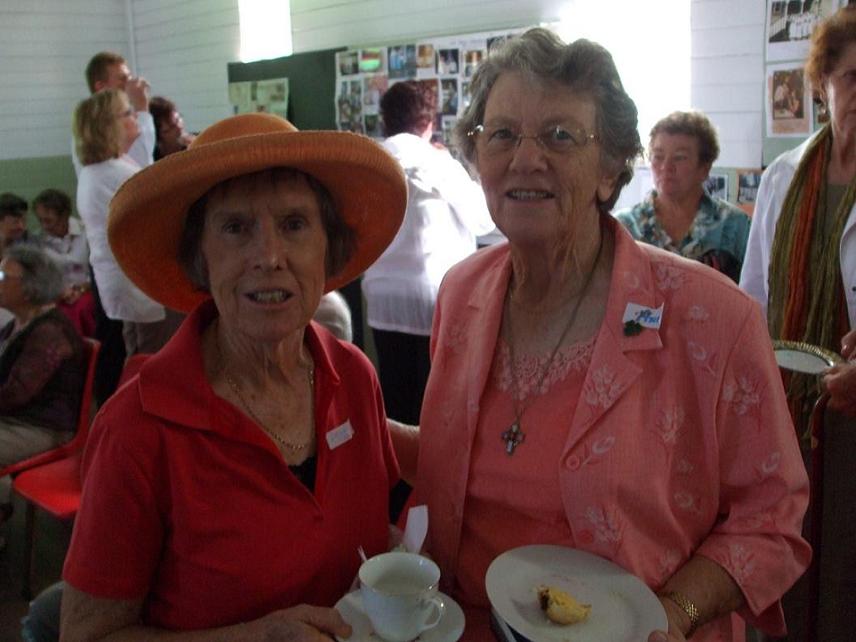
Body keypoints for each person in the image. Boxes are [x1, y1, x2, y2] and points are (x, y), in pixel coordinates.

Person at [399, 29, 810, 641]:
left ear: (612, 167)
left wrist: (675, 612)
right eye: (502, 134)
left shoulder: (712, 319)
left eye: (561, 136)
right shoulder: (461, 294)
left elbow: (772, 517)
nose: (525, 158)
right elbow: (450, 456)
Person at [59, 112, 407, 640]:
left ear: (326, 246)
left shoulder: (355, 377)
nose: (268, 257)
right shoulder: (137, 427)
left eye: (294, 224)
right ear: (200, 255)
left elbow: (368, 533)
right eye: (236, 228)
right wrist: (253, 637)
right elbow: (86, 635)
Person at [740, 7, 856, 640]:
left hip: (852, 408)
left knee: (845, 554)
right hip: (786, 403)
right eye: (853, 76)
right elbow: (753, 298)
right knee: (787, 545)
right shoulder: (786, 176)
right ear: (822, 85)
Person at [362, 80, 495, 427]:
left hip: (381, 299)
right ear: (429, 122)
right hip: (431, 300)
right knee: (434, 405)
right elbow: (482, 220)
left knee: (395, 400)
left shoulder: (368, 162)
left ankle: (398, 478)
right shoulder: (437, 163)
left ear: (385, 120)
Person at [74, 89, 182, 402]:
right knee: (152, 361)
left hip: (130, 283)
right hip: (139, 284)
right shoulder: (111, 172)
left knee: (138, 356)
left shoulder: (108, 168)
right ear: (107, 125)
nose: (135, 118)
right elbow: (163, 214)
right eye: (128, 113)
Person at [0, 245, 86, 530]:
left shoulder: (50, 332)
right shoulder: (19, 322)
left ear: (29, 287)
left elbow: (16, 394)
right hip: (18, 416)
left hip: (43, 425)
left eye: (3, 276)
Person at [616, 111, 750, 282]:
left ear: (704, 168)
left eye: (679, 158)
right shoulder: (625, 226)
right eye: (658, 156)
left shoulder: (736, 227)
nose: (666, 167)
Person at [71, 52, 154, 175]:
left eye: (130, 77)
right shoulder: (98, 125)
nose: (130, 84)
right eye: (122, 79)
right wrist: (141, 107)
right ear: (101, 87)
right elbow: (142, 167)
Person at [32, 189, 95, 337]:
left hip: (88, 289)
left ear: (65, 215)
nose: (44, 226)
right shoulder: (38, 241)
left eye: (48, 221)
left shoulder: (87, 232)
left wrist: (83, 288)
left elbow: (98, 270)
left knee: (82, 309)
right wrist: (59, 291)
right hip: (57, 294)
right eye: (40, 220)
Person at [148, 95, 196, 160]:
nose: (179, 127)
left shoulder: (196, 145)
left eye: (178, 119)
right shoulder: (150, 157)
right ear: (158, 136)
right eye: (171, 127)